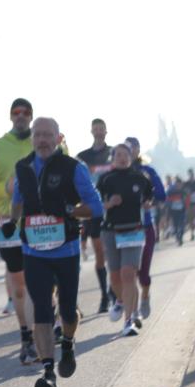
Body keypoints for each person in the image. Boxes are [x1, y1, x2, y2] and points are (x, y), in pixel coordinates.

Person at [7, 117, 103, 387]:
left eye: (48, 135)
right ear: (32, 138)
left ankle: (69, 343)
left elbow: (96, 207)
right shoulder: (23, 167)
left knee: (68, 310)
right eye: (38, 135)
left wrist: (70, 212)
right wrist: (12, 222)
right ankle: (48, 372)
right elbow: (17, 202)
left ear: (59, 138)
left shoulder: (74, 168)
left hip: (66, 249)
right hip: (33, 250)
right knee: (42, 309)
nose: (42, 140)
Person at [0, 98, 36, 364]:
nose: (21, 116)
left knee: (42, 283)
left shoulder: (43, 141)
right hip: (8, 222)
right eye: (16, 112)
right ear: (11, 116)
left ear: (31, 116)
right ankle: (27, 336)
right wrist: (6, 188)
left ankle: (46, 321)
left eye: (26, 112)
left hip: (41, 221)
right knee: (21, 285)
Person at [97, 144, 153, 336]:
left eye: (125, 154)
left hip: (133, 230)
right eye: (118, 155)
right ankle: (120, 300)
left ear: (131, 157)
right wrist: (109, 204)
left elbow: (150, 198)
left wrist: (147, 204)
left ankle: (128, 321)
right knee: (114, 276)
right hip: (111, 231)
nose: (122, 158)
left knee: (128, 273)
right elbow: (96, 206)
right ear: (113, 158)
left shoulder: (141, 178)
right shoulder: (105, 179)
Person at [125, 137, 165, 318]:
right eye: (126, 147)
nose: (130, 150)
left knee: (143, 273)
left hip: (145, 226)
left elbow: (161, 194)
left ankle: (146, 295)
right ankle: (132, 314)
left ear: (138, 150)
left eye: (133, 147)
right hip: (125, 229)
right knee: (130, 272)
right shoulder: (118, 173)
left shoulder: (147, 171)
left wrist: (151, 201)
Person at [76, 118, 113, 313]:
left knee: (110, 251)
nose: (98, 131)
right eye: (95, 128)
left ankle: (113, 289)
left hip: (114, 210)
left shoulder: (114, 153)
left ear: (106, 131)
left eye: (101, 128)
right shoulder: (83, 157)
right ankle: (105, 295)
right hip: (93, 210)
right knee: (100, 252)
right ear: (91, 131)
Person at [166, 175, 187, 245]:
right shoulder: (171, 191)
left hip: (182, 210)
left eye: (180, 184)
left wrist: (185, 203)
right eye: (177, 184)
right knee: (175, 225)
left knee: (182, 225)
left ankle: (180, 238)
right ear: (176, 184)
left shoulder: (184, 191)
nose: (179, 185)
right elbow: (167, 199)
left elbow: (187, 199)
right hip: (174, 210)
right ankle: (177, 237)